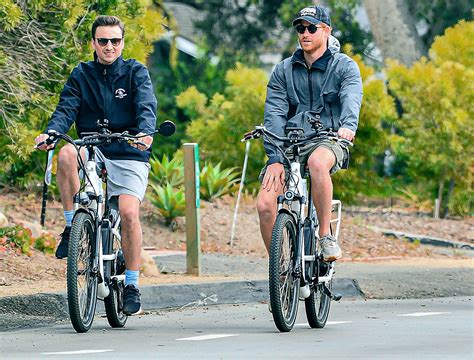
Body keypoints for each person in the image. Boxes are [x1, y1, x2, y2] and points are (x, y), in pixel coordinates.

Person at [35, 15, 157, 315]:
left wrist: (145, 133)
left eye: (115, 41)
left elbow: (146, 107)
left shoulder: (135, 72)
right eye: (103, 41)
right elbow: (66, 108)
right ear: (93, 43)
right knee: (65, 154)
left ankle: (131, 284)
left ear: (122, 43)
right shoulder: (81, 73)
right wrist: (52, 132)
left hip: (129, 150)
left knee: (128, 212)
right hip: (92, 147)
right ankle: (71, 227)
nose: (109, 46)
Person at [257, 6, 363, 262]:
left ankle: (325, 236)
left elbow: (351, 97)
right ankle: (280, 269)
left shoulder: (344, 66)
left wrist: (348, 126)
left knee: (317, 163)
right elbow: (274, 113)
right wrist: (274, 158)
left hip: (329, 139)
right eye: (300, 28)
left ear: (326, 31)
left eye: (311, 28)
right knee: (265, 205)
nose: (305, 33)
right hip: (289, 143)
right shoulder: (283, 70)